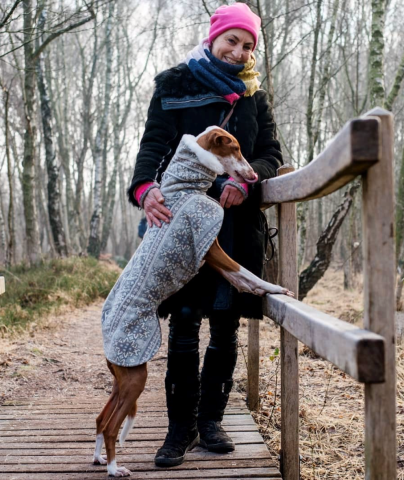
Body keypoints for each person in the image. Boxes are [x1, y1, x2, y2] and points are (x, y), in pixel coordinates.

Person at [127, 3, 282, 467]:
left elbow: (271, 154)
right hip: (180, 223)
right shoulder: (174, 86)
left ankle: (211, 422)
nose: (238, 51)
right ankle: (179, 430)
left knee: (225, 324)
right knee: (184, 323)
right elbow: (153, 146)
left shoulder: (254, 97)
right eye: (232, 40)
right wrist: (145, 188)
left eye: (248, 45)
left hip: (235, 225)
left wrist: (245, 179)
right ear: (214, 38)